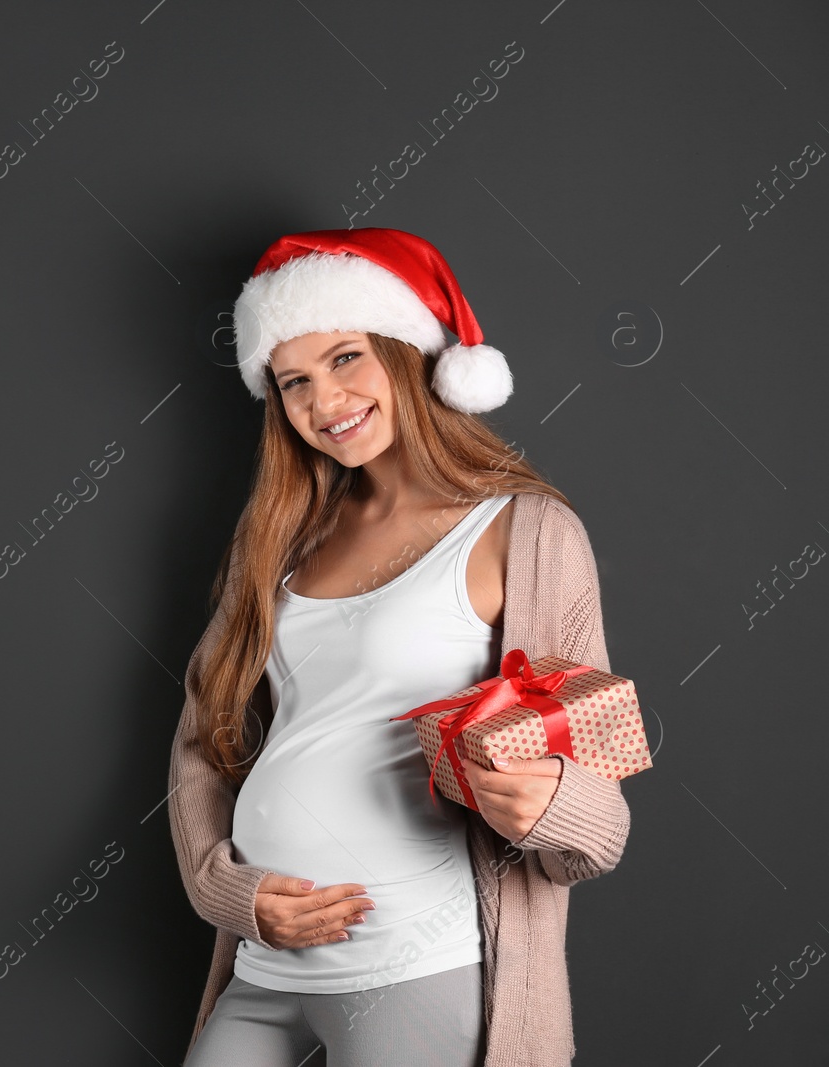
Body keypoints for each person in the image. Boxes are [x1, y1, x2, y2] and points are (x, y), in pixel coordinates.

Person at [169, 229, 633, 1066]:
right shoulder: (279, 538)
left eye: (347, 357)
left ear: (410, 353)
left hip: (415, 968)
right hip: (266, 959)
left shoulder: (524, 532)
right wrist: (224, 889)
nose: (325, 399)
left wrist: (551, 803)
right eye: (294, 381)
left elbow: (599, 814)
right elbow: (202, 737)